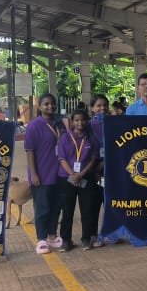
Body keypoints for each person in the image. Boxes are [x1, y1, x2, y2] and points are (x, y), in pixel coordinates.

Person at [26, 93, 64, 254]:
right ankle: (41, 239)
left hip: (59, 174)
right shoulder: (34, 125)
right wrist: (33, 174)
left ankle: (52, 236)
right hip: (42, 174)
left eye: (53, 103)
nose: (50, 106)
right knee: (42, 208)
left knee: (56, 207)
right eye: (46, 104)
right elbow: (29, 150)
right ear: (40, 107)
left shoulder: (60, 124)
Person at [56, 108, 98, 252]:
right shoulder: (65, 138)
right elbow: (62, 159)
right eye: (77, 120)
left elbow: (93, 159)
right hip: (67, 177)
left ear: (87, 121)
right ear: (72, 122)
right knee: (67, 210)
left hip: (85, 177)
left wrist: (81, 175)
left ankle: (86, 239)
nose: (80, 123)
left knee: (87, 209)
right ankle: (66, 240)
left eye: (83, 120)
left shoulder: (91, 138)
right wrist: (73, 174)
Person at [81, 95, 109, 250]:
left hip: (110, 168)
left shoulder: (113, 123)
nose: (102, 109)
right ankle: (92, 235)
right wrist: (95, 168)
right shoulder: (87, 126)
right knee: (93, 204)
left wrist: (104, 163)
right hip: (92, 170)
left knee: (110, 202)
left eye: (105, 105)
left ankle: (111, 232)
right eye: (98, 106)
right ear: (92, 108)